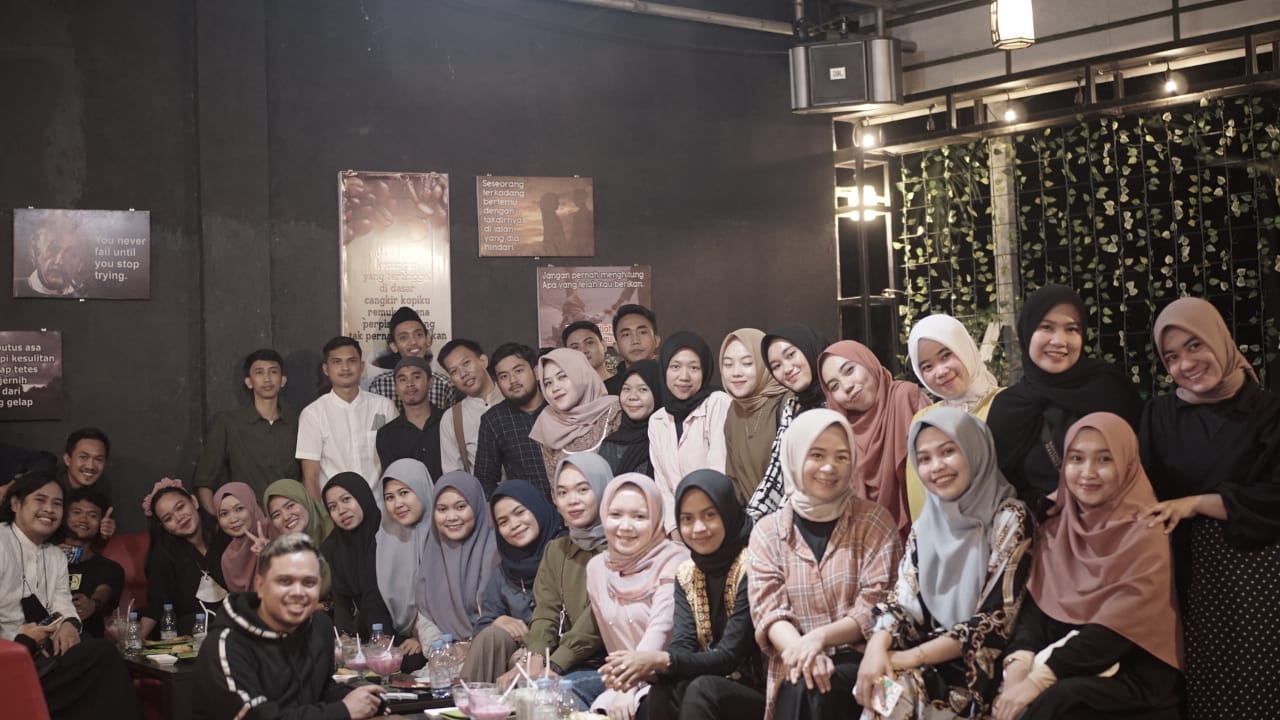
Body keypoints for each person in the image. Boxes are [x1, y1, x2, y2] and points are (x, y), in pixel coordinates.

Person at [1137, 297, 1280, 719]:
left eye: (1195, 345)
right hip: (1182, 579)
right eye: (1172, 357)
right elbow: (1142, 491)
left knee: (1257, 692)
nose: (1186, 364)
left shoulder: (1268, 412)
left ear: (1219, 338)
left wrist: (1197, 503)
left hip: (1255, 583)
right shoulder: (1159, 415)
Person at [992, 413, 1183, 720]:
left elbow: (1118, 627)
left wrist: (1039, 681)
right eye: (1076, 459)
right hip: (1065, 664)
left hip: (1132, 676)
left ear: (1127, 463)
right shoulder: (1056, 527)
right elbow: (1037, 610)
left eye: (1105, 459)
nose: (1087, 473)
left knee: (1060, 701)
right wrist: (1018, 667)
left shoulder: (1145, 531)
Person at [854, 408, 1032, 718]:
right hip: (926, 664)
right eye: (924, 459)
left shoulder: (1009, 518)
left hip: (984, 673)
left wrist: (907, 658)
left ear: (974, 450)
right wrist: (876, 650)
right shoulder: (926, 526)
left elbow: (994, 621)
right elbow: (902, 602)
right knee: (880, 692)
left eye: (948, 451)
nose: (936, 467)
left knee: (894, 690)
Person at [748, 409, 903, 720]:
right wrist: (804, 651)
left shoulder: (874, 521)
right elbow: (769, 612)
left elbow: (878, 606)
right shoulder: (768, 532)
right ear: (794, 457)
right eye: (816, 455)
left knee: (811, 689)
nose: (830, 467)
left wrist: (818, 638)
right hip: (796, 664)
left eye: (841, 457)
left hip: (872, 664)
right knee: (804, 685)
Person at [194, 533, 387, 720]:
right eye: (285, 581)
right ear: (260, 585)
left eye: (309, 582)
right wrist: (343, 710)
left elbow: (321, 690)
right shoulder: (227, 643)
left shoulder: (319, 626)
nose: (298, 592)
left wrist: (365, 700)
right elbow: (255, 717)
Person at [0, 472, 144, 720]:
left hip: (42, 657)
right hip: (9, 658)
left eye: (57, 504)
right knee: (101, 662)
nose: (49, 509)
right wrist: (22, 640)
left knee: (100, 657)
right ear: (15, 503)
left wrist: (69, 624)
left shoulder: (55, 556)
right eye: (40, 500)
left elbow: (62, 603)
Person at [986, 285, 1143, 512]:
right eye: (1046, 327)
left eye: (1071, 329)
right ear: (1027, 332)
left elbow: (1143, 464)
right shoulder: (1009, 408)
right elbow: (999, 489)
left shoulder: (1110, 389)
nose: (1059, 341)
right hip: (1044, 527)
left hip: (1116, 523)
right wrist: (1042, 505)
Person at [642, 470, 766, 720]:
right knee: (662, 690)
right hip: (714, 683)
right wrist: (654, 666)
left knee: (703, 689)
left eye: (710, 515)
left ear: (727, 513)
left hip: (760, 689)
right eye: (687, 519)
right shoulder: (687, 573)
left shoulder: (755, 564)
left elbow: (730, 656)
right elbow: (683, 642)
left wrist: (661, 660)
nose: (698, 528)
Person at [503, 454, 613, 709]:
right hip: (570, 663)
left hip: (611, 664)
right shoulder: (557, 550)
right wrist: (535, 657)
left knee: (552, 700)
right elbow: (546, 611)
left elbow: (596, 618)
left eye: (583, 489)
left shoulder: (621, 546)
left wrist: (554, 664)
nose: (572, 500)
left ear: (603, 489)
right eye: (562, 492)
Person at [587, 473, 690, 719]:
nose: (625, 526)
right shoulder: (597, 568)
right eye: (615, 515)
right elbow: (613, 642)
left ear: (656, 518)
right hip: (623, 682)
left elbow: (661, 627)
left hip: (670, 679)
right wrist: (623, 685)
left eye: (639, 517)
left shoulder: (676, 560)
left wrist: (630, 685)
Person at [818, 340, 931, 540]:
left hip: (927, 535)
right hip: (870, 544)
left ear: (868, 362)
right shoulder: (841, 434)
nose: (847, 386)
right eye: (834, 386)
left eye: (849, 370)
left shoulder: (905, 398)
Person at [903, 314, 1005, 519]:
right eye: (927, 367)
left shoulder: (1006, 404)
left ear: (964, 349)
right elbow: (919, 497)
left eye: (946, 356)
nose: (940, 371)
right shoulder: (925, 420)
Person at [462, 479, 564, 682]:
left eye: (520, 512)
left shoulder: (565, 552)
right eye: (503, 522)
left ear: (536, 507)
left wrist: (532, 653)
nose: (514, 525)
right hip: (519, 653)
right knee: (491, 636)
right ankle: (473, 699)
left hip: (560, 650)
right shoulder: (506, 569)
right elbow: (482, 624)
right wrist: (498, 621)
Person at [194, 349, 301, 514]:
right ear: (249, 382)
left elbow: (310, 475)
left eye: (273, 372)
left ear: (282, 380)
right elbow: (204, 480)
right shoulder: (229, 423)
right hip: (248, 520)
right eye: (259, 372)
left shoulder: (298, 422)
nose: (267, 378)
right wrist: (219, 518)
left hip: (292, 519)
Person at [649, 332, 731, 534]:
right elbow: (663, 486)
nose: (684, 376)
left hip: (716, 520)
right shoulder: (657, 420)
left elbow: (718, 472)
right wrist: (675, 529)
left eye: (694, 368)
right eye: (675, 367)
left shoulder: (717, 403)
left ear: (705, 370)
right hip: (679, 527)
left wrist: (697, 525)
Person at [297, 336, 397, 499]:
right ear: (326, 369)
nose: (345, 368)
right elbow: (311, 477)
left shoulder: (384, 407)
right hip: (335, 509)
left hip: (380, 506)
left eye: (352, 361)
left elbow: (396, 464)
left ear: (362, 366)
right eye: (337, 362)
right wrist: (321, 514)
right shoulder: (313, 414)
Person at [746, 324, 829, 520]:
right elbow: (776, 472)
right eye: (776, 366)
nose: (787, 369)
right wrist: (752, 521)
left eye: (791, 355)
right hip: (792, 518)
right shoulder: (793, 407)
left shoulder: (838, 400)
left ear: (809, 348)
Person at [418, 472, 500, 646]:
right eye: (442, 509)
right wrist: (443, 652)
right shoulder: (433, 552)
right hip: (444, 653)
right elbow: (425, 618)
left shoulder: (497, 550)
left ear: (476, 506)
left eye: (461, 507)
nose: (452, 517)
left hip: (491, 649)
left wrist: (472, 648)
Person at [140, 478, 229, 638]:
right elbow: (156, 605)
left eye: (180, 507)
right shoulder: (163, 557)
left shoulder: (225, 536)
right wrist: (133, 641)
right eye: (168, 518)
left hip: (234, 626)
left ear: (194, 501)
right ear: (164, 527)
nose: (179, 518)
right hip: (191, 634)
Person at [321, 472, 396, 643]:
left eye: (346, 499)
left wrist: (353, 632)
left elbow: (375, 595)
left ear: (362, 496)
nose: (341, 510)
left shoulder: (388, 535)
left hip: (396, 627)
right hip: (364, 633)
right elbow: (341, 601)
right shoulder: (335, 546)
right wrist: (343, 635)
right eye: (332, 507)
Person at [376, 459, 440, 656]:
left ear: (421, 488)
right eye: (389, 497)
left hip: (446, 637)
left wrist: (423, 638)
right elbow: (376, 599)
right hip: (403, 637)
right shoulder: (383, 540)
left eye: (404, 493)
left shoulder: (445, 534)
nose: (398, 504)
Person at [530, 348, 622, 482]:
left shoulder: (614, 411)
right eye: (548, 383)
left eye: (562, 377)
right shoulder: (548, 423)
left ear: (581, 374)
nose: (555, 388)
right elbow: (554, 484)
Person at [474, 343, 552, 497]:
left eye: (518, 370)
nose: (513, 380)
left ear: (536, 372)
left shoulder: (558, 404)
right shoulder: (494, 420)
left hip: (574, 503)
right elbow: (484, 479)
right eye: (503, 376)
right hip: (526, 507)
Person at [720, 329, 787, 505]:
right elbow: (734, 481)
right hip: (753, 518)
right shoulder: (734, 410)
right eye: (728, 364)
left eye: (747, 363)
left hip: (788, 516)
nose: (736, 372)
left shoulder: (787, 403)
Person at [368, 305, 460, 412]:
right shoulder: (380, 385)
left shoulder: (444, 385)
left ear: (427, 339)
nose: (413, 342)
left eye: (419, 335)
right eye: (403, 338)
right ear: (394, 346)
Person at [59, 488, 124, 638]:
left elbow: (103, 591)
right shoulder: (45, 557)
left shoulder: (110, 568)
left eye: (92, 515)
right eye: (77, 512)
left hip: (87, 639)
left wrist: (92, 604)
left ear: (103, 523)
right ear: (64, 515)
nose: (83, 519)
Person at [438, 339, 505, 474]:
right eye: (454, 371)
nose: (463, 374)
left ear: (483, 361)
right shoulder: (451, 418)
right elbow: (454, 475)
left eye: (466, 363)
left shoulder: (514, 398)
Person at [375, 356, 444, 479]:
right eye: (402, 379)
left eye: (416, 377)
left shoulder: (448, 421)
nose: (410, 384)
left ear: (430, 382)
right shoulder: (386, 435)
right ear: (396, 388)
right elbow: (393, 481)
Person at [599, 360, 662, 477]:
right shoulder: (611, 445)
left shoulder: (669, 439)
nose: (632, 397)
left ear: (659, 392)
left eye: (643, 389)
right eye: (626, 389)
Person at [212, 482, 270, 593]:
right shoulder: (228, 558)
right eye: (224, 514)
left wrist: (273, 550)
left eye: (239, 509)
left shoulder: (274, 531)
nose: (233, 519)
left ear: (251, 506)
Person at [61, 428, 116, 540]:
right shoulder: (48, 489)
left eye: (98, 459)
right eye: (83, 457)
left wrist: (104, 534)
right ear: (67, 459)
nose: (90, 466)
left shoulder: (101, 495)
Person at [20, 217, 91, 297]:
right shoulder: (16, 290)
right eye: (53, 249)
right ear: (37, 252)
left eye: (71, 254)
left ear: (80, 264)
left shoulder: (84, 296)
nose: (59, 261)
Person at [607, 304, 662, 395]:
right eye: (626, 335)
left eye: (642, 332)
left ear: (656, 340)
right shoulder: (606, 391)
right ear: (616, 346)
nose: (635, 341)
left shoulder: (673, 384)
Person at [264, 479, 334, 546]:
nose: (285, 517)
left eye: (290, 506)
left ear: (305, 502)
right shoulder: (283, 551)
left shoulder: (337, 530)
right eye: (276, 515)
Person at [564, 320, 615, 385]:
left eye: (589, 342)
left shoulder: (623, 385)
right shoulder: (568, 390)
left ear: (603, 345)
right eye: (575, 347)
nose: (583, 351)